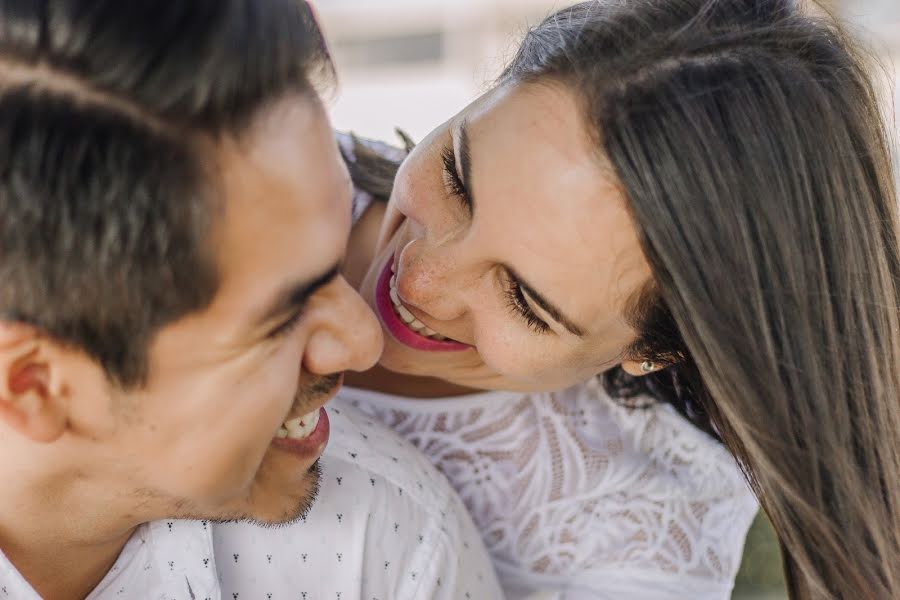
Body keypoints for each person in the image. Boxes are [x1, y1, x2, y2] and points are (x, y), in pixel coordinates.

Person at [338, 0, 900, 598]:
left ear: (655, 350)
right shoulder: (252, 148)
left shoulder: (639, 539)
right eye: (456, 176)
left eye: (526, 301)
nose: (420, 282)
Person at [0, 1, 502, 599]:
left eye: (337, 250)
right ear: (34, 383)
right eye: (284, 314)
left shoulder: (391, 545)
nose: (367, 341)